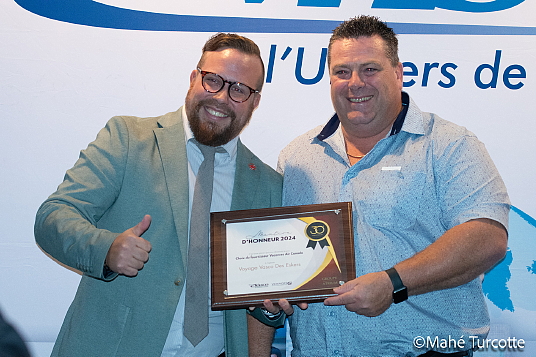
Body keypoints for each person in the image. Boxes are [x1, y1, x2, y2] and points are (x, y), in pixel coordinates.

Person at [267, 15, 510, 356]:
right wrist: (269, 289)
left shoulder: (449, 144)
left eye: (370, 69)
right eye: (342, 72)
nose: (355, 83)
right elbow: (280, 254)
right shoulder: (297, 157)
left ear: (398, 72)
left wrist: (392, 283)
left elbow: (487, 237)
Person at [34, 33, 281, 357]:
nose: (222, 97)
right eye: (213, 81)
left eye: (239, 89)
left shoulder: (267, 185)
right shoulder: (127, 138)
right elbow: (53, 215)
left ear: (255, 101)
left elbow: (260, 303)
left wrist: (272, 308)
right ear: (194, 78)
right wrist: (106, 249)